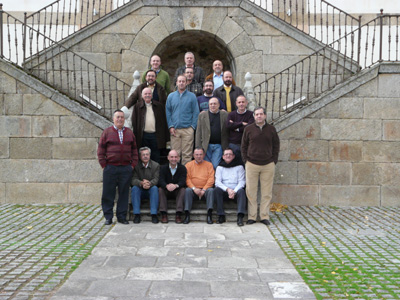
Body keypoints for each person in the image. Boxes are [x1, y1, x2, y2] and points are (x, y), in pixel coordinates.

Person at [97, 109, 138, 225]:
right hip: (110, 168)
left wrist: (132, 165)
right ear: (113, 119)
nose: (120, 119)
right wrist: (104, 165)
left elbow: (134, 150)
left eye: (121, 117)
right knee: (108, 193)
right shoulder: (107, 132)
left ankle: (121, 216)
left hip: (126, 168)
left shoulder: (129, 133)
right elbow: (101, 150)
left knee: (124, 194)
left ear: (124, 119)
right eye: (117, 117)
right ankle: (108, 217)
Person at [241, 107, 280, 226]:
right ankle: (252, 216)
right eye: (256, 114)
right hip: (252, 164)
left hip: (268, 164)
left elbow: (276, 146)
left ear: (265, 116)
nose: (259, 116)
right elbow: (243, 146)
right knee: (251, 191)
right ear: (254, 116)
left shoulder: (271, 129)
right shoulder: (248, 129)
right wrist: (246, 161)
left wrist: (274, 160)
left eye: (261, 114)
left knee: (266, 192)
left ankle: (264, 216)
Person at [166, 75, 200, 165]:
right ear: (176, 83)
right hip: (175, 130)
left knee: (187, 155)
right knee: (175, 155)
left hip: (188, 129)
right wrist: (170, 126)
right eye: (179, 81)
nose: (181, 83)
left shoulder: (192, 96)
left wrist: (192, 127)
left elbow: (196, 112)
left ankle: (185, 175)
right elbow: (168, 112)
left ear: (186, 83)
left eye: (183, 81)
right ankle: (175, 175)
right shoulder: (171, 96)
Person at [131, 88, 169, 163]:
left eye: (149, 94)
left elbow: (164, 122)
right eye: (145, 94)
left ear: (152, 95)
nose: (147, 95)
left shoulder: (159, 106)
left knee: (155, 157)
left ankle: (155, 174)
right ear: (142, 96)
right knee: (143, 157)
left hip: (155, 136)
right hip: (143, 136)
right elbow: (134, 122)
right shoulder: (137, 107)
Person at [214, 148, 246, 226]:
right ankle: (221, 215)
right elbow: (217, 182)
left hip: (236, 191)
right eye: (226, 154)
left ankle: (240, 217)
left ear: (233, 156)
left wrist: (234, 191)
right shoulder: (220, 167)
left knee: (242, 191)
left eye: (230, 154)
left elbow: (242, 182)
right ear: (223, 157)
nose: (228, 156)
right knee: (217, 190)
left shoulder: (239, 167)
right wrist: (228, 190)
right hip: (225, 191)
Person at [184, 148, 215, 224]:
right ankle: (187, 215)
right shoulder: (188, 165)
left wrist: (204, 189)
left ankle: (209, 214)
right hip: (193, 190)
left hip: (205, 190)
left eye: (201, 154)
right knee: (187, 190)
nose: (199, 156)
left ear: (204, 155)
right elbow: (187, 179)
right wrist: (194, 188)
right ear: (193, 155)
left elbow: (211, 179)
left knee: (211, 190)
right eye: (197, 154)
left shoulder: (209, 165)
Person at [195, 97, 229, 168]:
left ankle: (213, 179)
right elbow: (198, 132)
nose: (213, 105)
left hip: (219, 146)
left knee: (215, 165)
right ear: (208, 105)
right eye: (211, 104)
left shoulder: (225, 115)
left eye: (215, 104)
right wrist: (198, 147)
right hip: (206, 146)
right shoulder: (202, 115)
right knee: (206, 165)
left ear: (219, 105)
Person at [131, 147, 160, 224]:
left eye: (147, 154)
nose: (145, 156)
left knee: (155, 188)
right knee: (134, 188)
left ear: (150, 155)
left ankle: (154, 214)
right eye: (143, 155)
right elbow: (133, 179)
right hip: (140, 189)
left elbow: (156, 179)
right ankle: (136, 214)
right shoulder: (136, 166)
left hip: (150, 189)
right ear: (140, 156)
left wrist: (149, 183)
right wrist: (141, 183)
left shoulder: (156, 165)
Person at [158, 150, 187, 224]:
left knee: (183, 190)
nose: (173, 159)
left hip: (177, 190)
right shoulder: (163, 168)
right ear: (168, 158)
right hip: (166, 190)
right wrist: (166, 186)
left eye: (175, 157)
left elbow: (183, 181)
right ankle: (164, 214)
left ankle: (178, 214)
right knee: (160, 189)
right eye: (171, 157)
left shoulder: (182, 168)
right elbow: (160, 180)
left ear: (178, 158)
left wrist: (176, 185)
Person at [226, 95, 254, 161]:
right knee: (234, 164)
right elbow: (228, 125)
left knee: (246, 164)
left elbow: (249, 127)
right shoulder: (231, 114)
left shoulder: (251, 114)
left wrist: (236, 128)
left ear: (246, 103)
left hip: (247, 144)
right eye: (239, 102)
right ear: (236, 103)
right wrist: (241, 123)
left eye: (243, 102)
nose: (241, 104)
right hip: (234, 144)